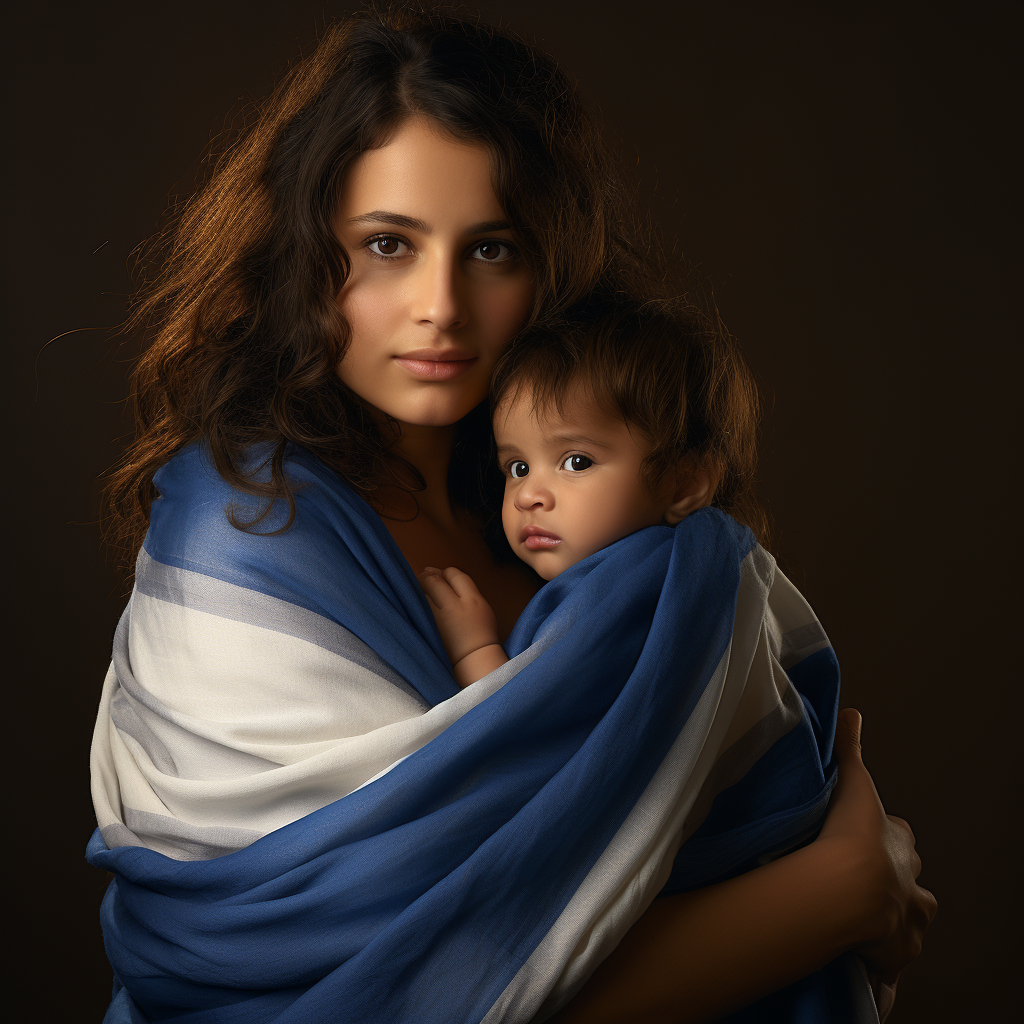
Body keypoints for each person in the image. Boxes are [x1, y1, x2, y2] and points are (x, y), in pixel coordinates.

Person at [90, 7, 935, 1023]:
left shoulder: (577, 500)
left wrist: (815, 858)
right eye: (388, 245)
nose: (440, 305)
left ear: (547, 262)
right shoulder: (242, 538)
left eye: (489, 249)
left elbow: (738, 766)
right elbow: (403, 991)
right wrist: (828, 899)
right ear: (306, 255)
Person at [418, 300, 756, 688]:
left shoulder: (631, 595)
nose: (528, 496)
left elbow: (532, 732)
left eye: (576, 462)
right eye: (518, 468)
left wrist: (473, 649)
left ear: (683, 484)